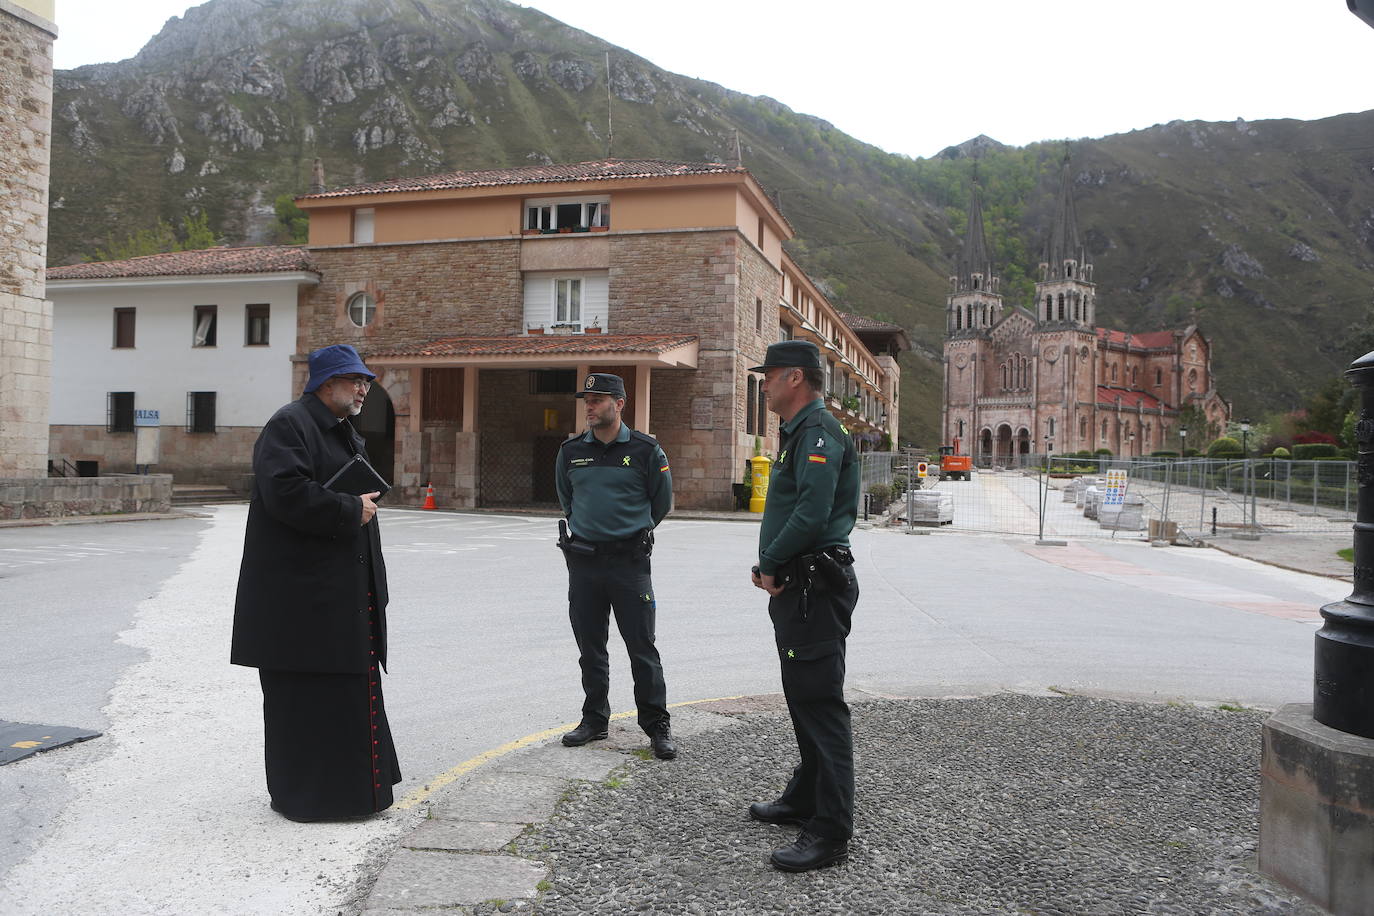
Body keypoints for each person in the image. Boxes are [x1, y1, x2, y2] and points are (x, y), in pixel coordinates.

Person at [231, 344, 401, 822]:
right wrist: (351, 509)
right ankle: (308, 798)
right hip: (302, 605)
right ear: (326, 383)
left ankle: (355, 796)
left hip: (340, 598)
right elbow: (283, 492)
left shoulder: (342, 430)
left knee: (346, 699)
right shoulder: (290, 424)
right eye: (355, 380)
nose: (365, 387)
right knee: (306, 703)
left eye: (367, 380)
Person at [748, 340, 860, 872]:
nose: (763, 383)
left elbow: (813, 514)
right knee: (803, 696)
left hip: (813, 586)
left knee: (820, 705)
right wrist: (771, 563)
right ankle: (805, 796)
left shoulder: (816, 433)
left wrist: (770, 559)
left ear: (795, 377)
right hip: (801, 586)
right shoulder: (800, 432)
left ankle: (831, 831)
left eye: (768, 375)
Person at [554, 373, 677, 760]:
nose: (589, 406)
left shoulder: (646, 450)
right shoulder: (571, 451)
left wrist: (628, 534)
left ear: (619, 404)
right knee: (590, 648)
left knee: (642, 647)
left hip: (629, 563)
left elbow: (661, 504)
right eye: (586, 400)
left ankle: (657, 727)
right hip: (585, 563)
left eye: (598, 399)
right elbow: (567, 500)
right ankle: (594, 720)